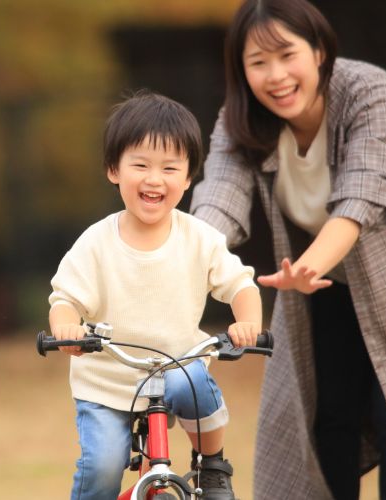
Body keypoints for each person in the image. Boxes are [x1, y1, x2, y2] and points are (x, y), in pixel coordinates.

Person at [189, 0, 386, 498]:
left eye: (286, 54)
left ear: (319, 51)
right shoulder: (241, 118)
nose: (275, 76)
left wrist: (307, 267)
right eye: (258, 63)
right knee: (322, 413)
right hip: (325, 279)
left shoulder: (368, 92)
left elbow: (359, 199)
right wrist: (175, 264)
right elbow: (219, 200)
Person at [48, 91, 263, 500]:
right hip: (107, 383)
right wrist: (67, 330)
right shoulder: (96, 243)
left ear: (187, 178)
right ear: (114, 169)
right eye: (140, 165)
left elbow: (240, 284)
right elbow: (65, 299)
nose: (154, 178)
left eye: (169, 168)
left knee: (197, 383)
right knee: (102, 465)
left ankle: (213, 463)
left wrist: (247, 320)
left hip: (177, 370)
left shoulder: (198, 237)